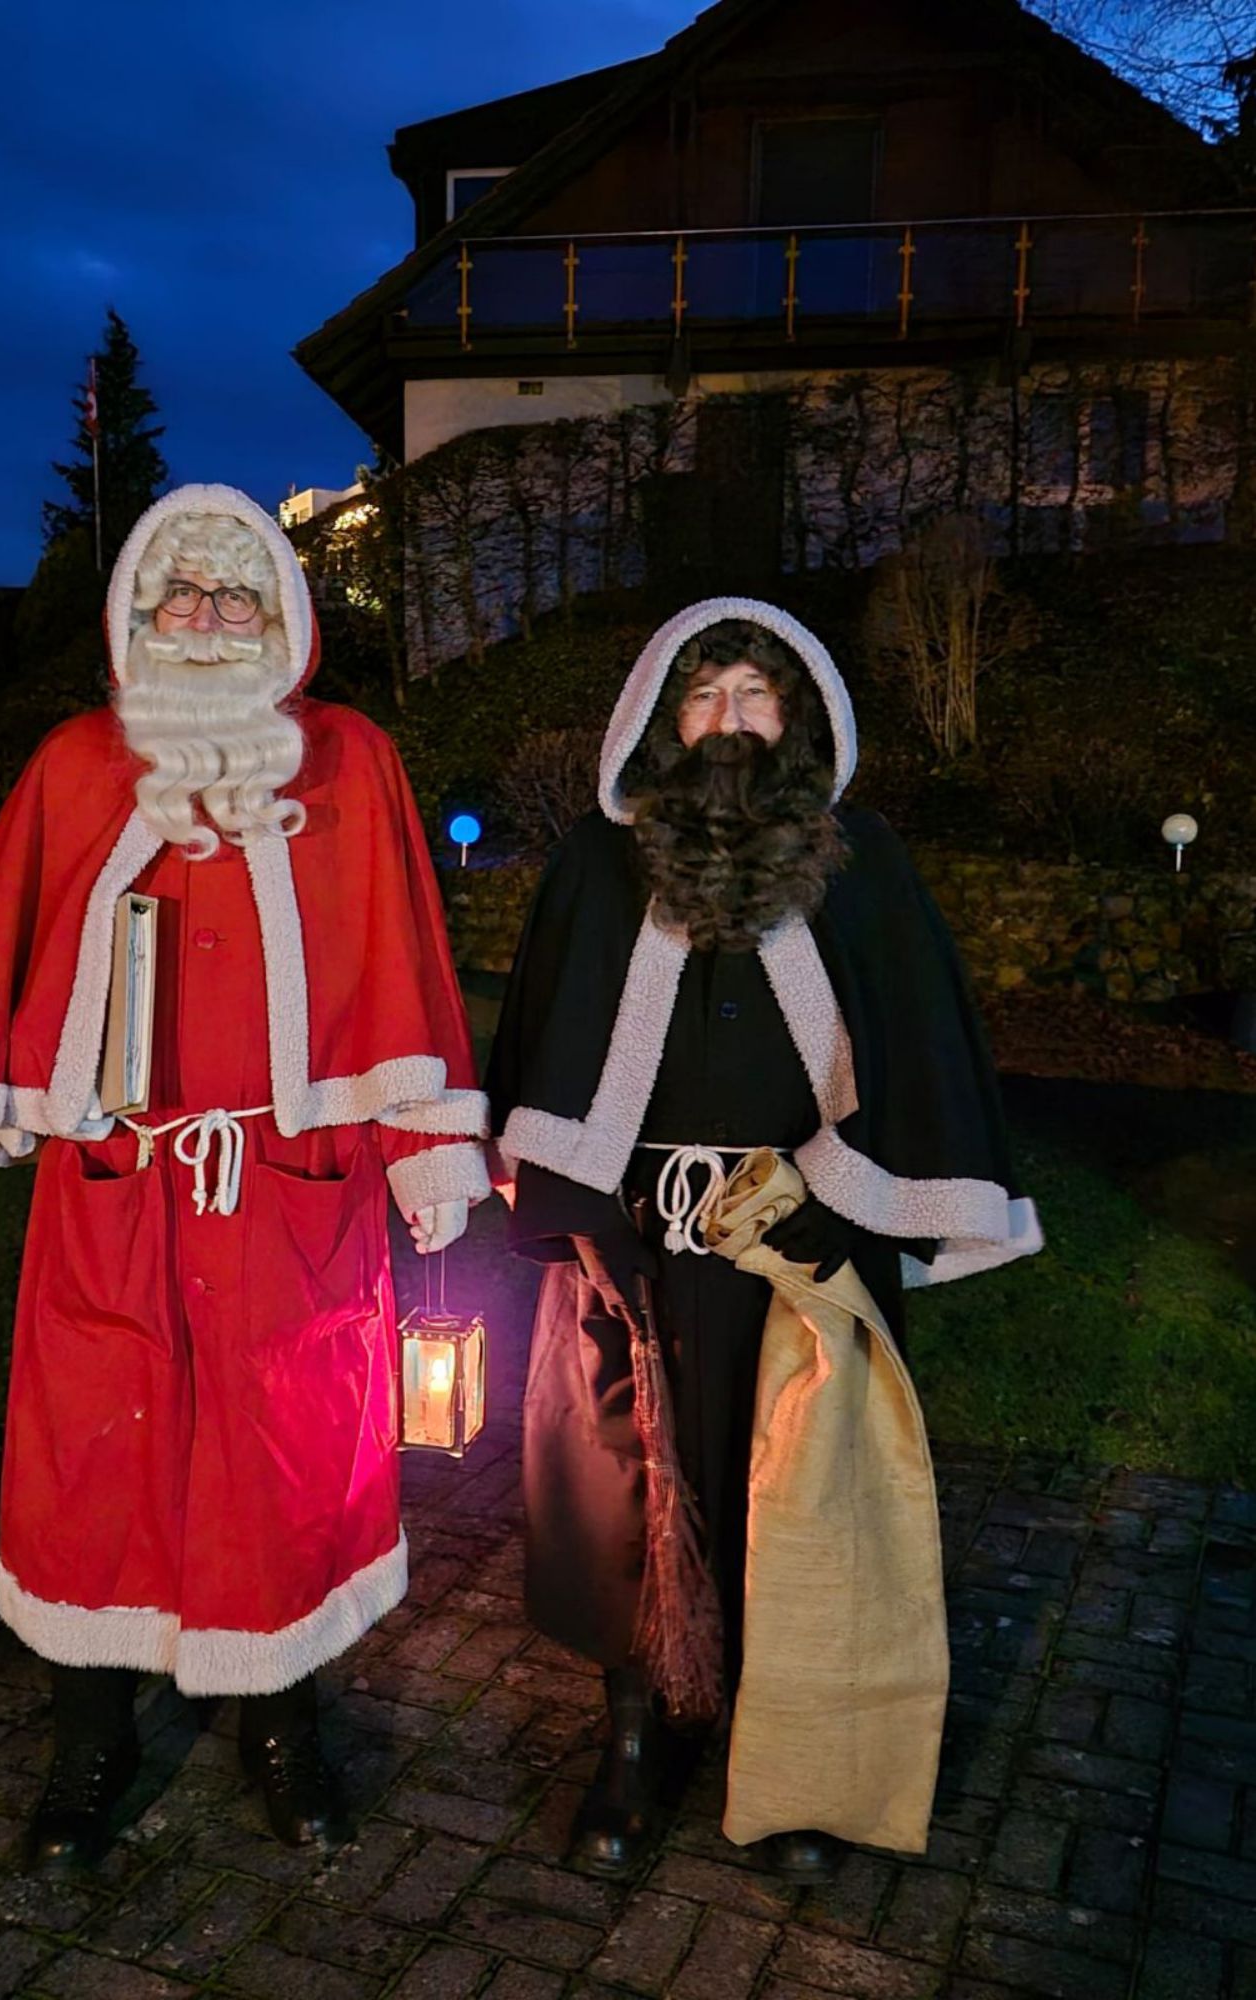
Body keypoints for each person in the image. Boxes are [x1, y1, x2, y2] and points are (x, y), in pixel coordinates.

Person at [0, 485, 489, 1868]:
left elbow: (401, 963)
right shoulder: (74, 765)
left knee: (285, 1456)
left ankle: (282, 1727)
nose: (205, 619)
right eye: (180, 595)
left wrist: (423, 1148)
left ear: (280, 618)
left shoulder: (351, 761)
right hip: (120, 1181)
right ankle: (89, 1741)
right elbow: (4, 934)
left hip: (294, 1186)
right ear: (136, 618)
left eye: (233, 596)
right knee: (97, 1455)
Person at [487, 599, 1041, 1882]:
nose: (728, 719)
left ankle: (788, 1747)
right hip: (638, 1239)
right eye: (703, 696)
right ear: (660, 720)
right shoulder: (596, 862)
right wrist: (585, 1215)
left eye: (754, 693)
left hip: (802, 1244)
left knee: (801, 1490)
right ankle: (640, 1732)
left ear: (798, 715)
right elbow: (545, 1048)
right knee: (626, 1486)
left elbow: (916, 1046)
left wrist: (834, 1193)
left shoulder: (862, 860)